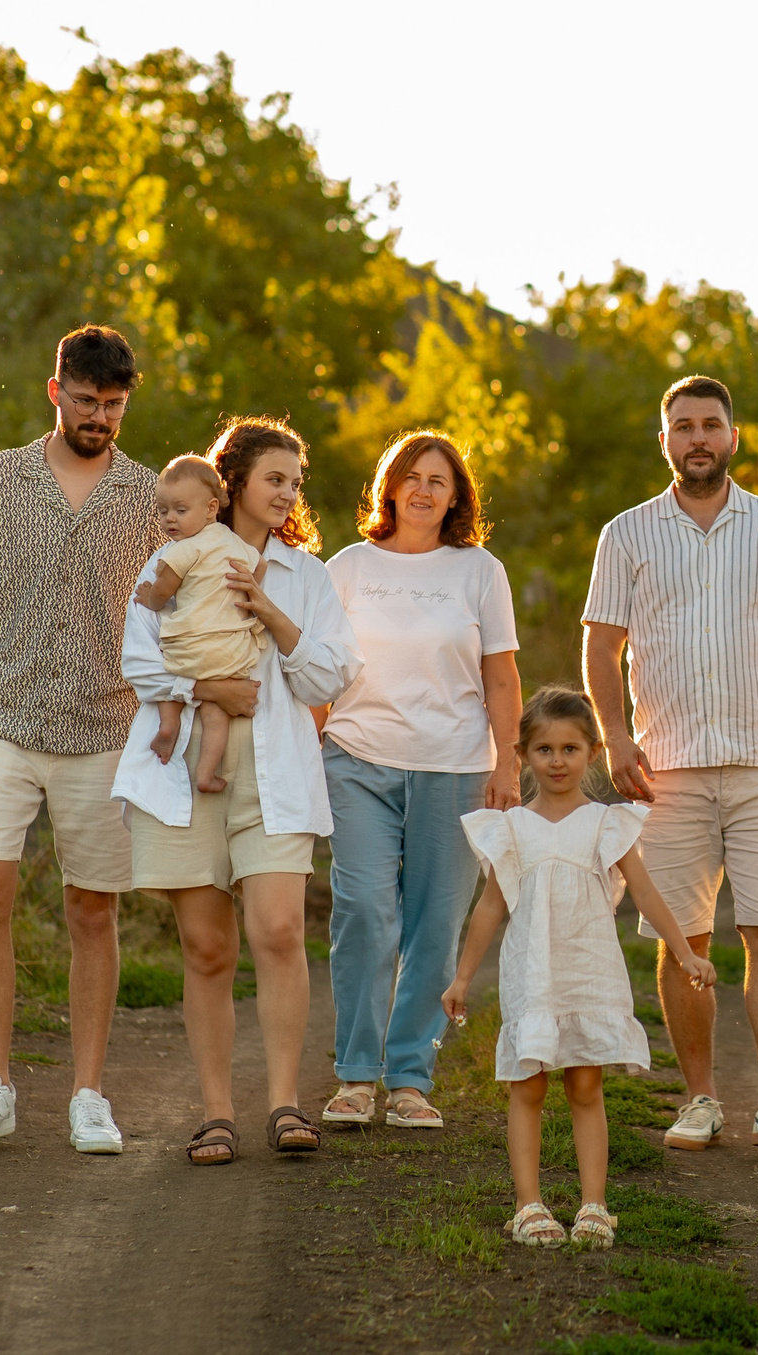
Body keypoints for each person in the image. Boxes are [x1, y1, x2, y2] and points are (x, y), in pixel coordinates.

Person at [581, 375, 758, 1153]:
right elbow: (602, 644)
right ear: (663, 440)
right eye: (683, 426)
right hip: (665, 768)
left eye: (711, 425)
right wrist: (614, 737)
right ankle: (699, 1099)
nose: (698, 438)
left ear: (734, 436)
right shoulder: (626, 534)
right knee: (683, 941)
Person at [0, 324, 167, 1155]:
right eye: (89, 400)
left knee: (90, 908)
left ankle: (88, 1093)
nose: (101, 416)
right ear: (55, 390)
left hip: (106, 726)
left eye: (115, 405)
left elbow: (173, 608)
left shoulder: (148, 496)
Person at [112, 417, 364, 1165]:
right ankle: (217, 1113)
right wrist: (206, 685)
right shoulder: (172, 560)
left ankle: (285, 1102)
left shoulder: (307, 576)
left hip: (276, 771)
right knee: (207, 946)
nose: (288, 493)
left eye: (295, 480)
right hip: (185, 766)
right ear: (234, 484)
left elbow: (330, 677)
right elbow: (138, 658)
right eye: (274, 478)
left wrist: (271, 612)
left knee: (281, 930)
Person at [443, 687, 716, 1248]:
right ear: (523, 755)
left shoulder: (606, 824)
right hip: (532, 972)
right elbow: (490, 907)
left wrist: (686, 951)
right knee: (528, 1084)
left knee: (587, 1084)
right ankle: (528, 1205)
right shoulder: (512, 828)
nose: (558, 761)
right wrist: (463, 977)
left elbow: (646, 892)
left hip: (587, 969)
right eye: (544, 749)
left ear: (592, 752)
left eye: (570, 748)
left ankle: (595, 1204)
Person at [318, 431, 524, 1131]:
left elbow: (501, 675)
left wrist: (508, 760)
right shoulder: (345, 567)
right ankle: (353, 1078)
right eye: (413, 475)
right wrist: (304, 743)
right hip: (357, 755)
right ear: (390, 485)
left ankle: (409, 1077)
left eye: (440, 479)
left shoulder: (479, 572)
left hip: (457, 765)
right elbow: (317, 666)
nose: (425, 489)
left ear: (457, 495)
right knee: (366, 911)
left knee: (436, 927)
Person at [133, 455, 265, 794]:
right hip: (231, 651)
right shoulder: (233, 542)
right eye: (163, 511)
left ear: (210, 508)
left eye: (180, 510)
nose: (170, 520)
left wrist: (150, 598)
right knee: (215, 713)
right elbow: (260, 567)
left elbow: (164, 591)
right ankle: (206, 773)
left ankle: (168, 724)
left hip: (191, 645)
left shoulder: (181, 549)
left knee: (172, 667)